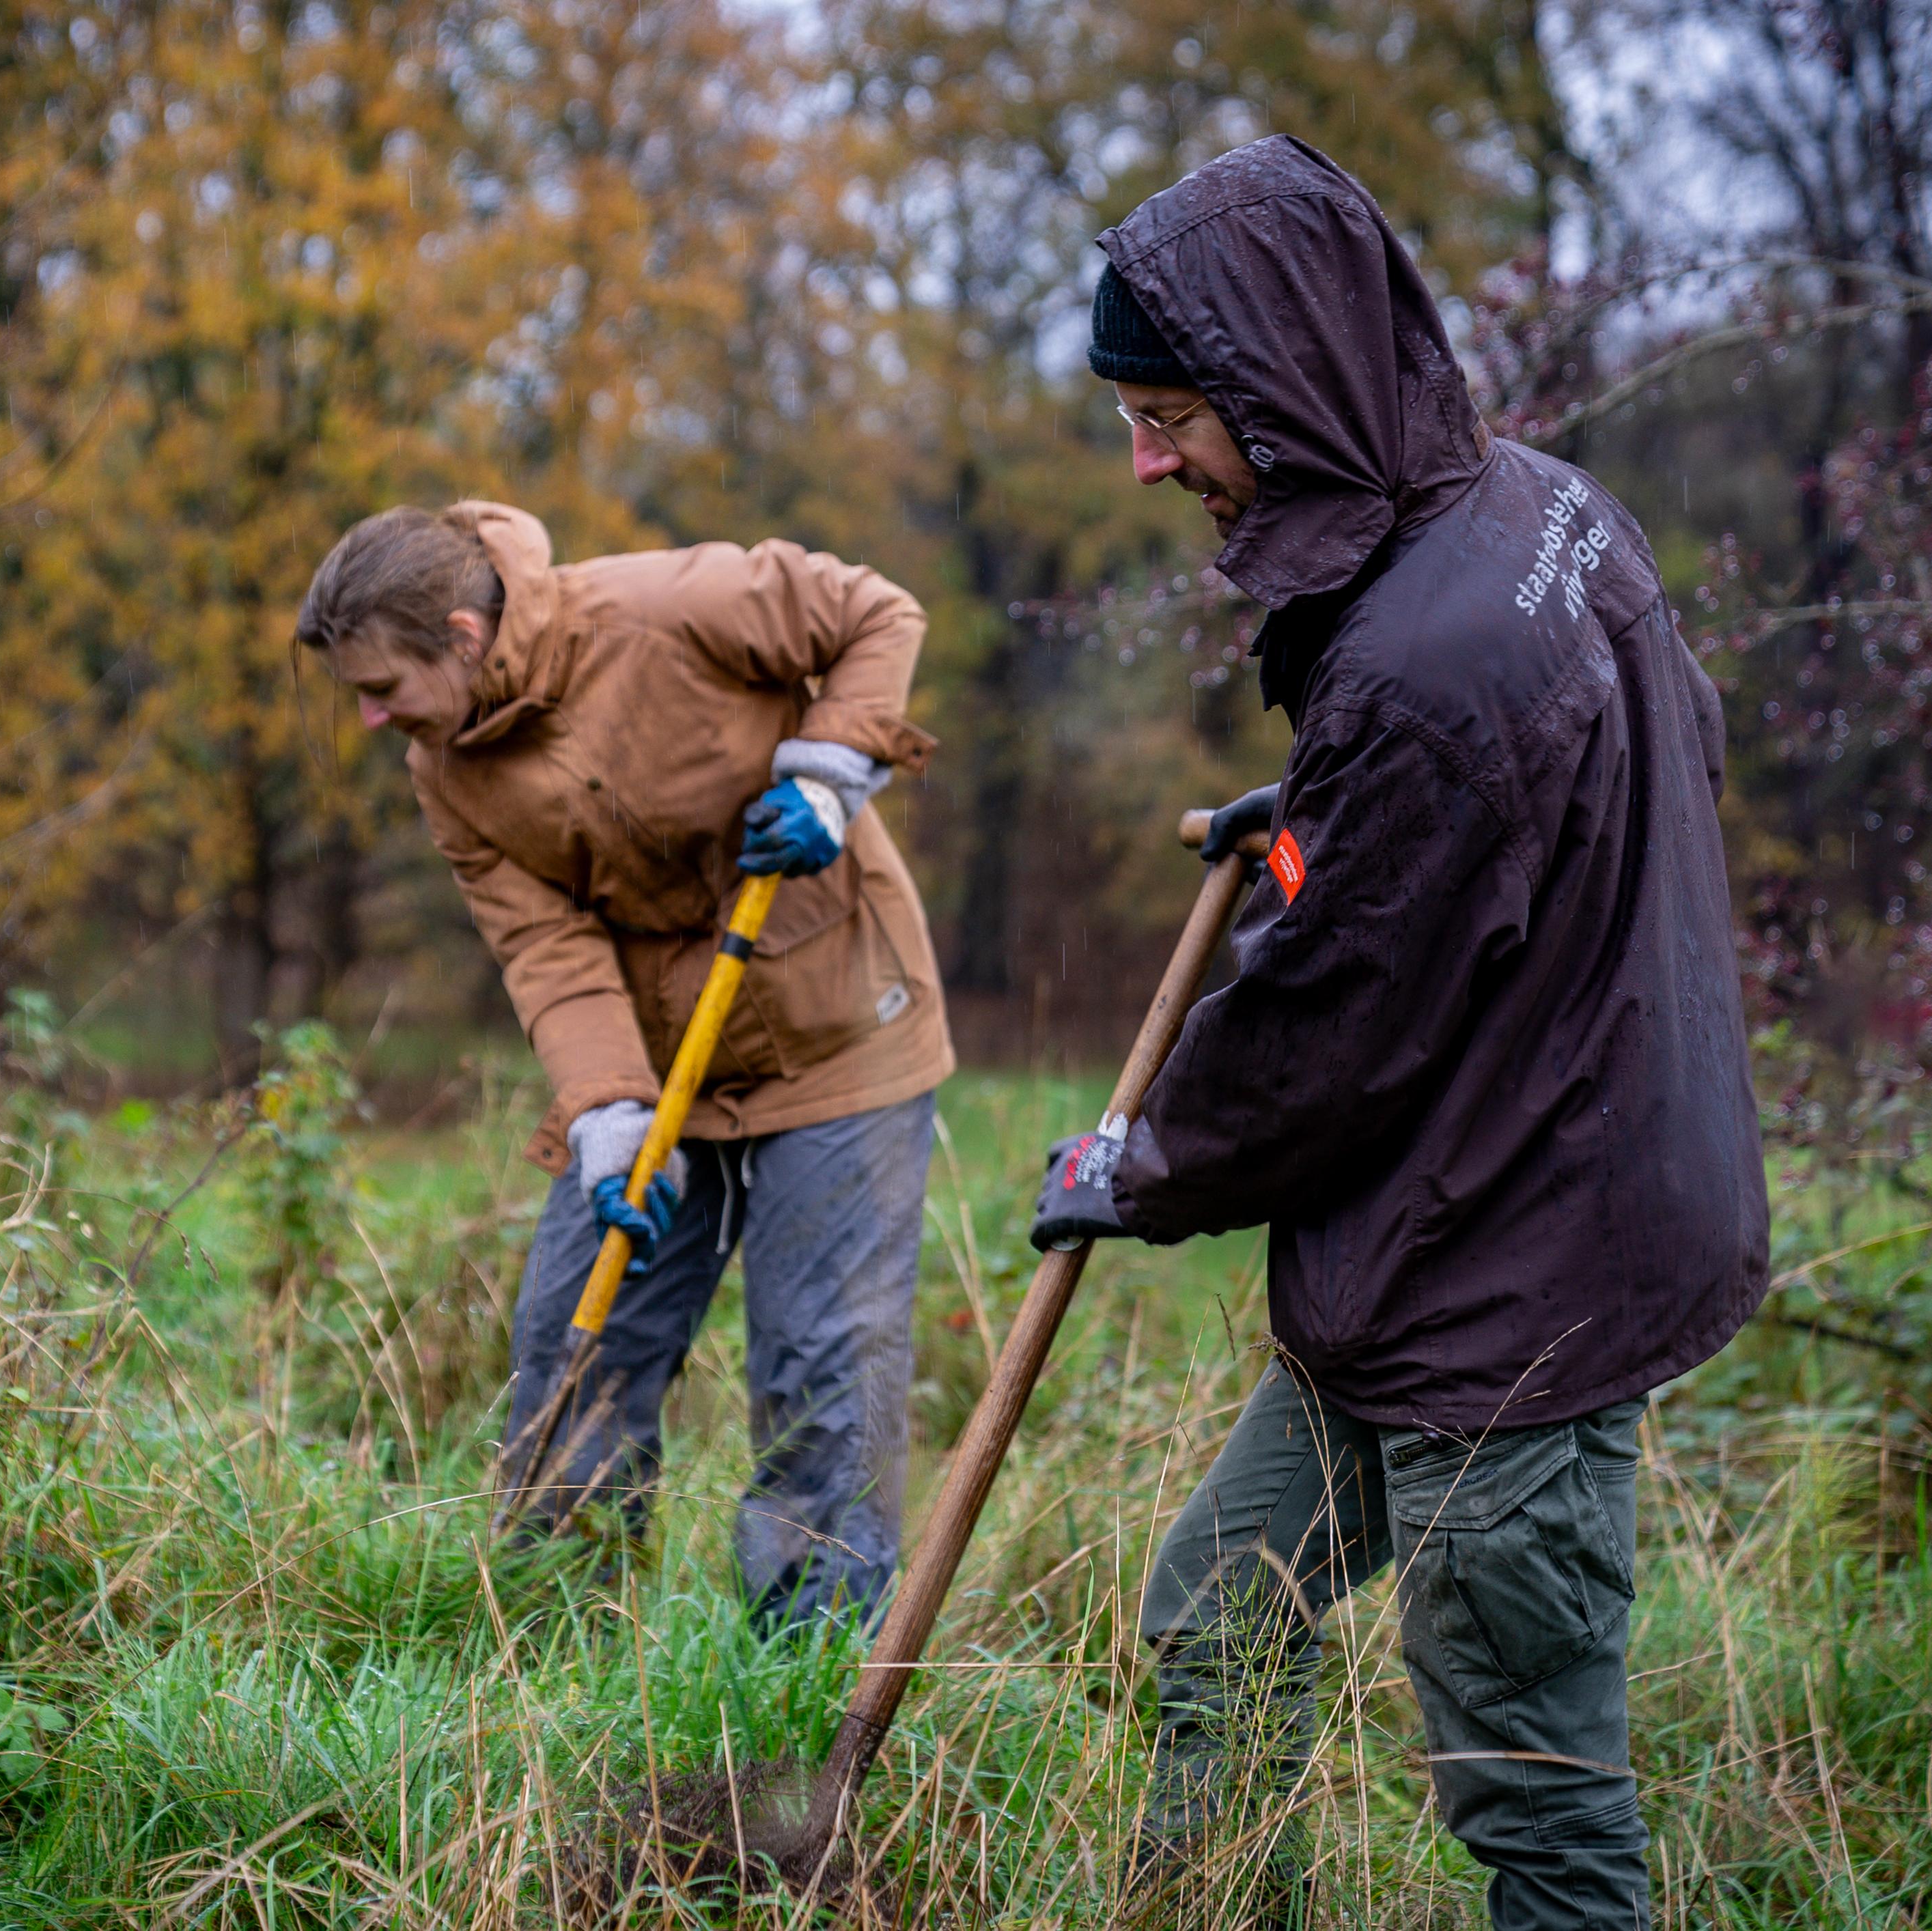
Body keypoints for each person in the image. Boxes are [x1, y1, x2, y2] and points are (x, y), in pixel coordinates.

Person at [1028, 137, 1769, 1929]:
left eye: (1165, 415)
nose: (1148, 462)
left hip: (1514, 1282)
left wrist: (1137, 1166)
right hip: (1446, 1241)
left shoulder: (1423, 676)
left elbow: (1313, 1046)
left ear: (1280, 385)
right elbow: (1497, 807)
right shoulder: (1540, 507)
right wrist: (1307, 819)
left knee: (1537, 1805)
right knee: (1218, 1616)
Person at [294, 502, 953, 1626]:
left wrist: (831, 771)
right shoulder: (445, 768)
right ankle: (557, 1649)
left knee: (821, 1373)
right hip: (657, 1065)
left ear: (461, 636)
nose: (369, 718)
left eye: (382, 686)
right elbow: (546, 949)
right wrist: (605, 1113)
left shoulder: (670, 605)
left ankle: (804, 1681)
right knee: (571, 1345)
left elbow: (875, 612)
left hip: (840, 1030)